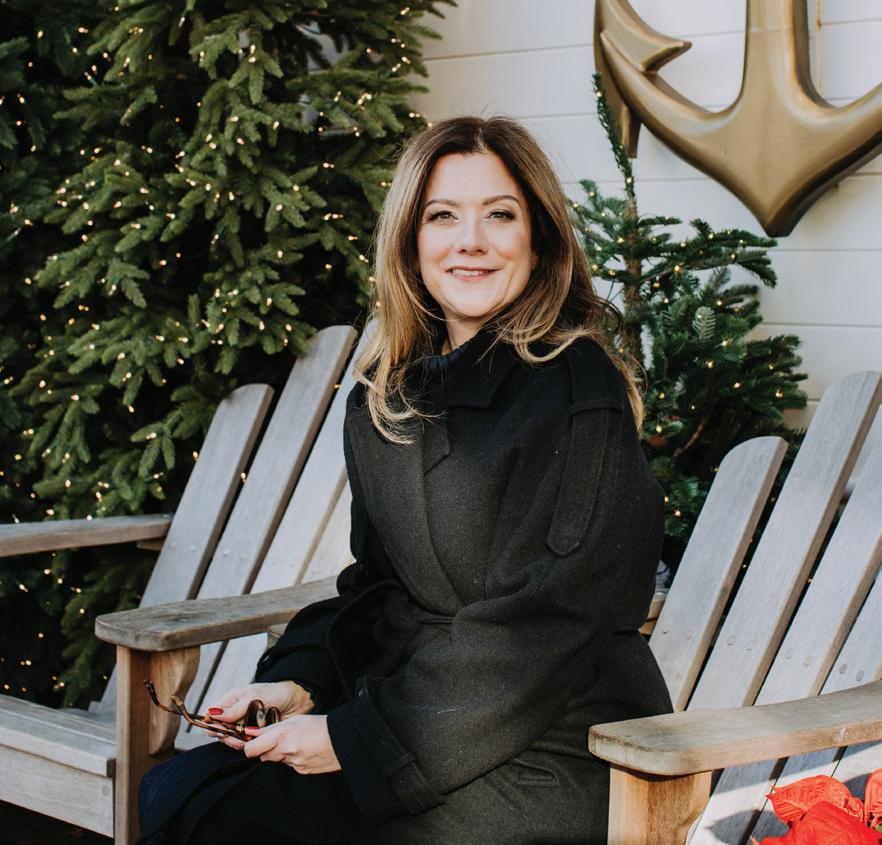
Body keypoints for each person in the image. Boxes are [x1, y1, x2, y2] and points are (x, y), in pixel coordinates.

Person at [137, 115, 673, 845]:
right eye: (442, 215)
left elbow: (550, 620)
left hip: (554, 742)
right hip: (431, 721)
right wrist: (301, 682)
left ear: (539, 240)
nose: (470, 240)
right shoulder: (388, 400)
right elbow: (380, 586)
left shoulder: (575, 387)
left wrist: (356, 740)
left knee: (242, 820)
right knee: (190, 790)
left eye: (500, 215)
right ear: (410, 243)